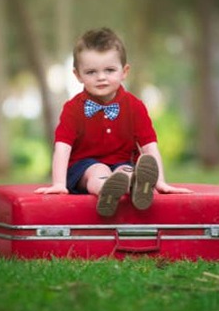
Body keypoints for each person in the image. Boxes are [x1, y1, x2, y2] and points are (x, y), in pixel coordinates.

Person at [35, 28, 191, 217]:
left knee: (126, 171)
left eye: (109, 70)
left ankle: (135, 186)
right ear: (78, 75)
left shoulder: (135, 106)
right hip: (84, 167)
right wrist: (59, 184)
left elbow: (149, 147)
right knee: (97, 170)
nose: (101, 77)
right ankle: (106, 189)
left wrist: (160, 182)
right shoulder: (73, 108)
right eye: (91, 72)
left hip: (122, 162)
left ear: (124, 71)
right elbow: (62, 147)